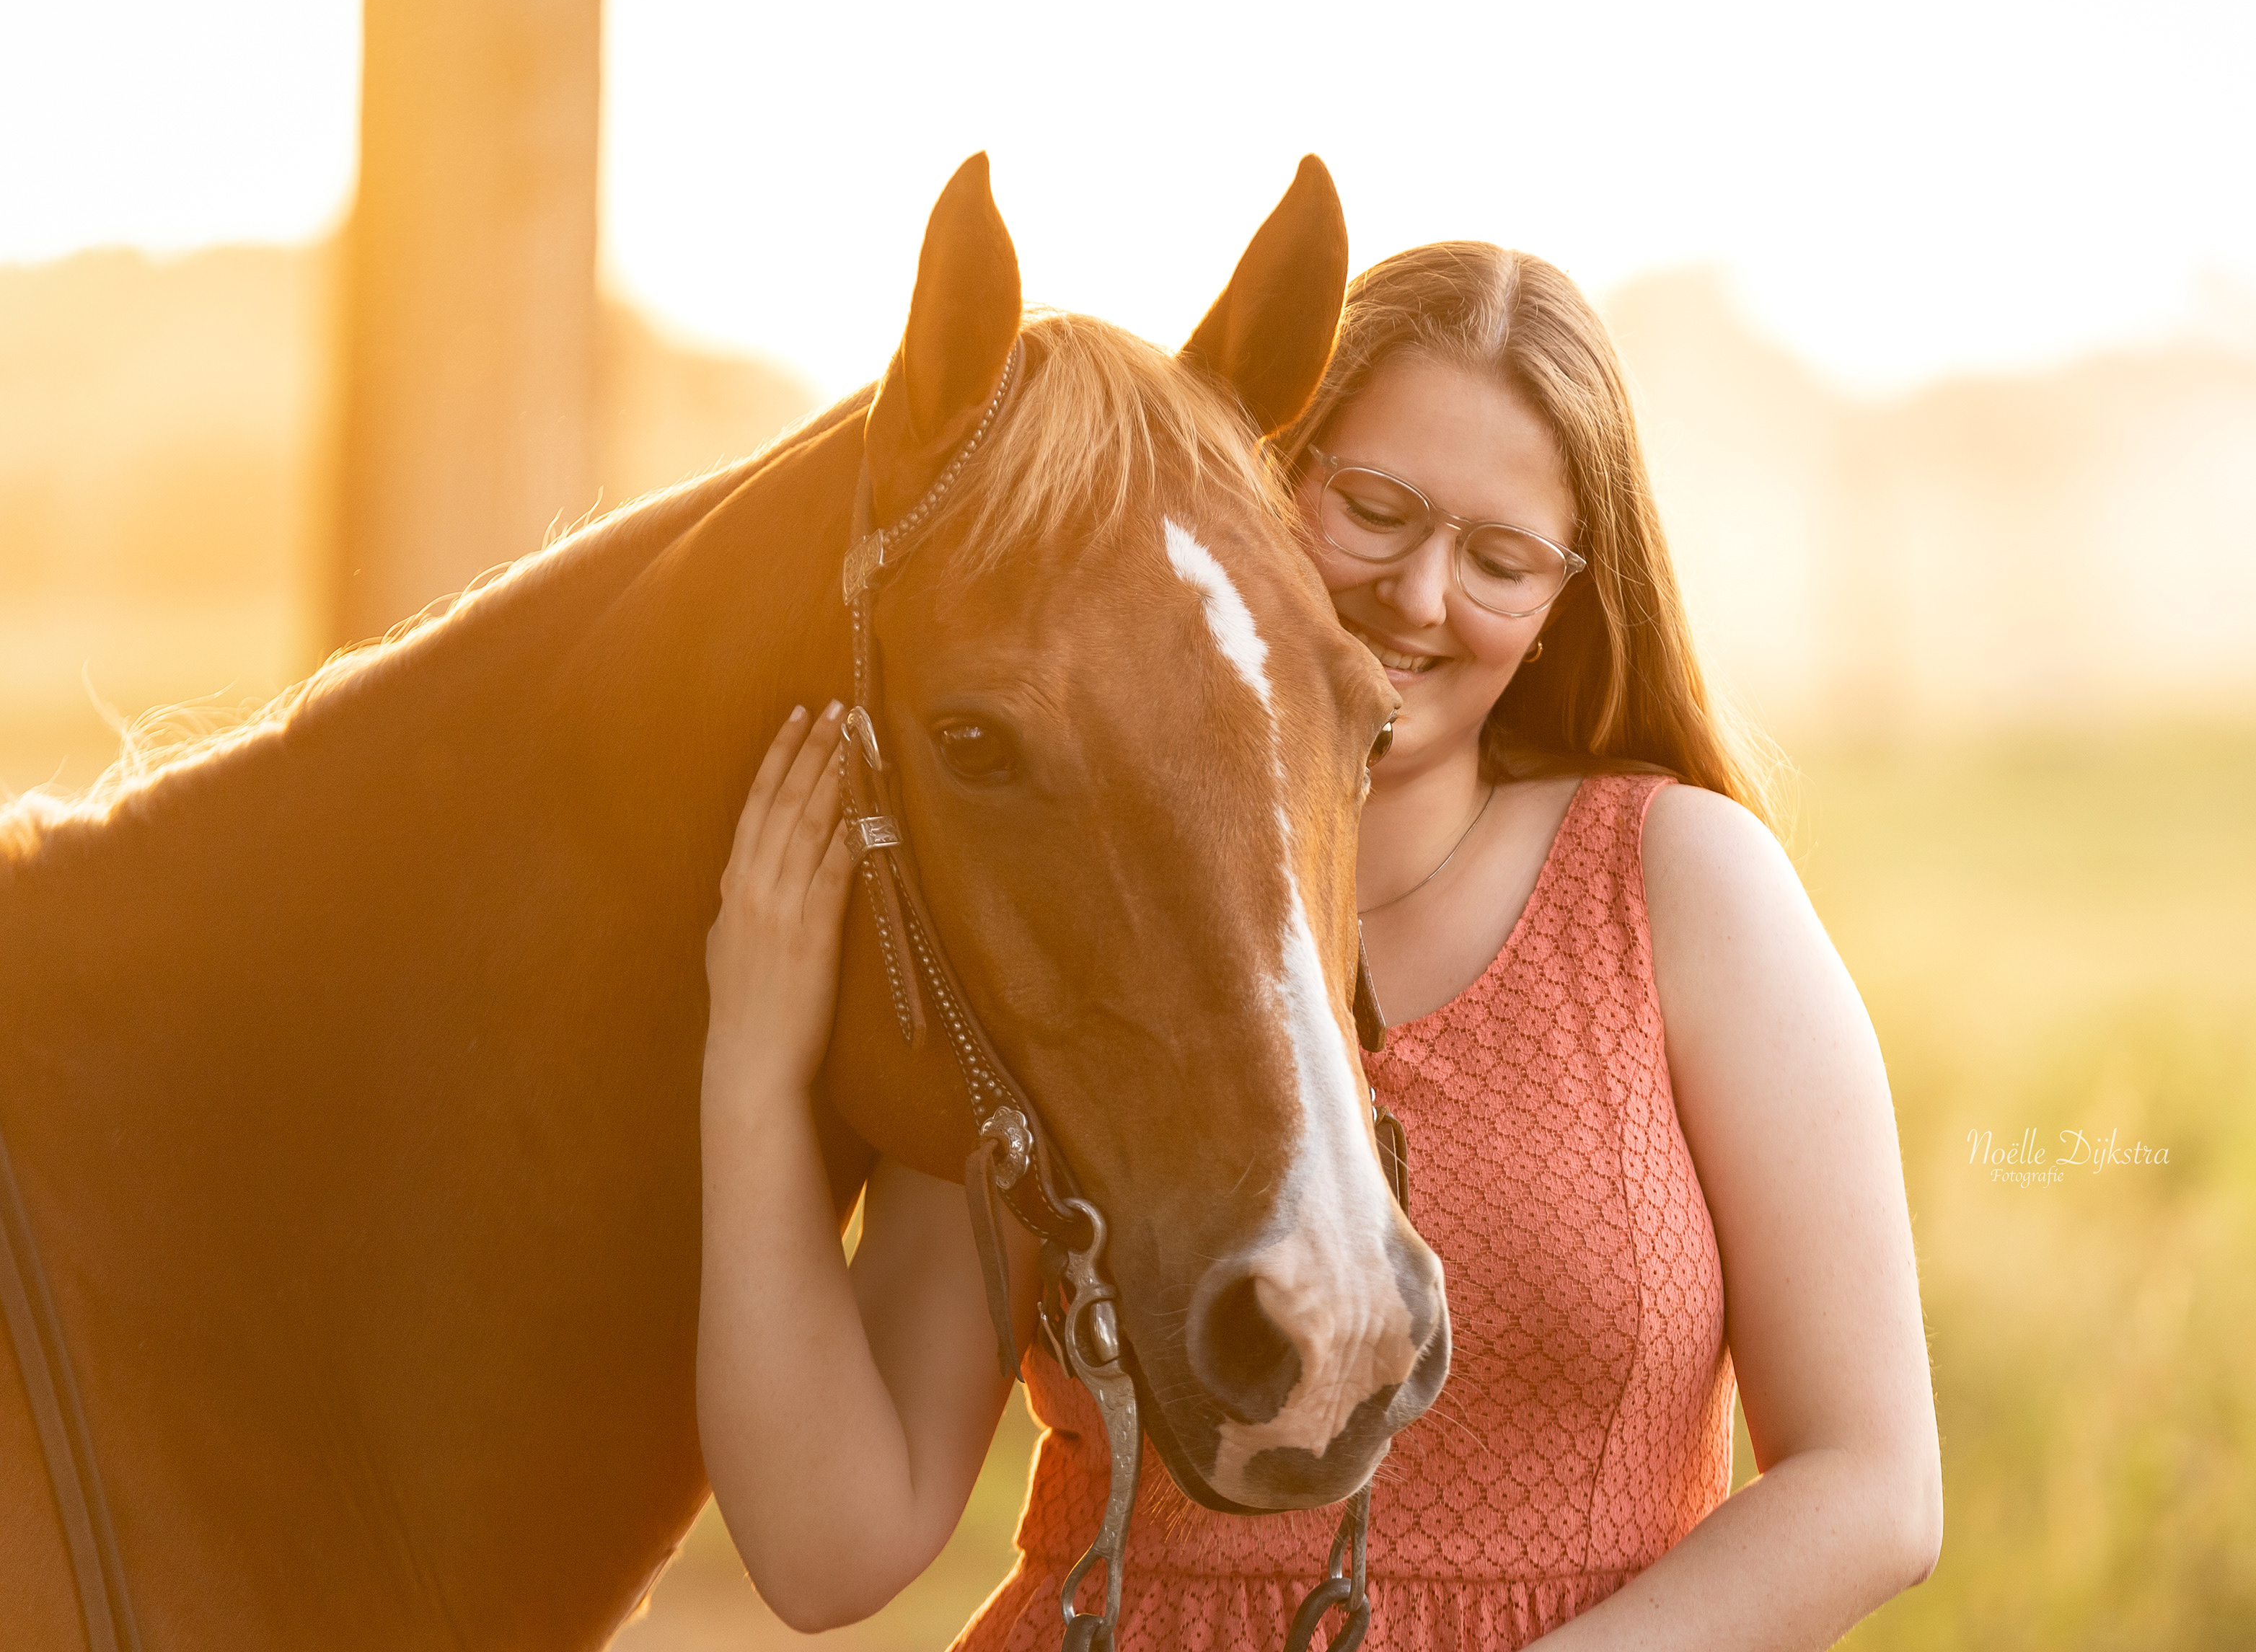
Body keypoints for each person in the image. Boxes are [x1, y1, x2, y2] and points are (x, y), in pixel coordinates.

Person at [696, 244, 1941, 1649]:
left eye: (1500, 561)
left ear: (1562, 604)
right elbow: (831, 1546)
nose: (1420, 594)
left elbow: (1875, 1487)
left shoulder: (1678, 883)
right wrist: (753, 1076)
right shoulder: (1068, 889)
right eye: (1374, 509)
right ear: (1261, 476)